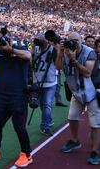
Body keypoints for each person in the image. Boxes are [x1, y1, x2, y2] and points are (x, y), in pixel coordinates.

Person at [0, 36, 33, 167]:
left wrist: (11, 49)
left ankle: (26, 154)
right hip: (2, 97)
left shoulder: (20, 49)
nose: (3, 45)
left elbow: (28, 55)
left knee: (19, 127)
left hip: (18, 97)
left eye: (5, 41)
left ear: (11, 42)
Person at [56, 32, 100, 165]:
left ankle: (95, 151)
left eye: (76, 40)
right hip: (77, 92)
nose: (74, 43)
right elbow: (58, 67)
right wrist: (60, 52)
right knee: (72, 117)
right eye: (71, 40)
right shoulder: (65, 51)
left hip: (91, 92)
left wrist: (73, 60)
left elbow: (87, 73)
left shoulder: (89, 52)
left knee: (95, 123)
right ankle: (75, 141)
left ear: (82, 40)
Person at [32, 35, 58, 136]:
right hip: (37, 81)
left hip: (50, 81)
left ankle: (44, 126)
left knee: (47, 104)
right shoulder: (35, 49)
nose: (40, 42)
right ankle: (49, 119)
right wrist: (33, 47)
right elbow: (29, 58)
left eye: (42, 40)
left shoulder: (52, 49)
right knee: (42, 105)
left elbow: (58, 63)